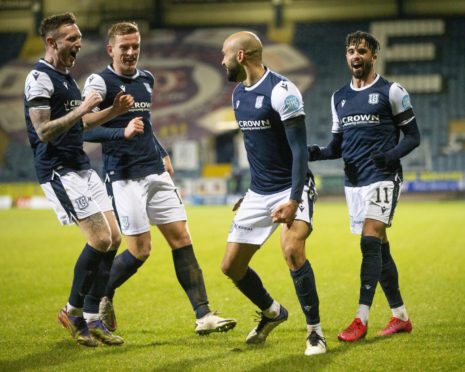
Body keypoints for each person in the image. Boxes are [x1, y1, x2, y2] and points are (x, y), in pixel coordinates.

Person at [82, 21, 237, 335]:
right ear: (110, 49)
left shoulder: (147, 79)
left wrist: (162, 152)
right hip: (124, 176)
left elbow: (146, 123)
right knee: (140, 250)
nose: (130, 52)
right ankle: (95, 296)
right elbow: (85, 125)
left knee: (182, 239)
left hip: (154, 169)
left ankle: (203, 315)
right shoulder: (99, 82)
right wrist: (120, 131)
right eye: (124, 47)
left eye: (135, 46)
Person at [23, 12, 131, 347]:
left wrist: (112, 111)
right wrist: (83, 106)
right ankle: (72, 312)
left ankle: (93, 318)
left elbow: (79, 125)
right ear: (51, 41)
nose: (79, 44)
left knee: (114, 237)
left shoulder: (67, 77)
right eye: (72, 39)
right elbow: (43, 131)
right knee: (99, 239)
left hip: (81, 165)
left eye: (79, 38)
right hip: (58, 168)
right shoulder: (39, 79)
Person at [308, 30, 420, 342]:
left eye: (361, 51)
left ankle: (360, 318)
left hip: (383, 178)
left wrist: (391, 156)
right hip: (353, 183)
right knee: (380, 249)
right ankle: (400, 317)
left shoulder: (392, 91)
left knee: (370, 241)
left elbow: (413, 136)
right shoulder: (338, 97)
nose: (355, 56)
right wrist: (315, 153)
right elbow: (337, 146)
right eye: (351, 52)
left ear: (373, 55)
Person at [220, 31, 326, 356]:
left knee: (292, 249)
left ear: (240, 56)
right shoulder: (237, 95)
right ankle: (272, 312)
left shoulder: (283, 92)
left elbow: (299, 151)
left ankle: (315, 334)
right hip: (259, 192)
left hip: (292, 186)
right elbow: (258, 150)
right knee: (231, 268)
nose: (221, 61)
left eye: (224, 54)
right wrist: (251, 193)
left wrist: (294, 199)